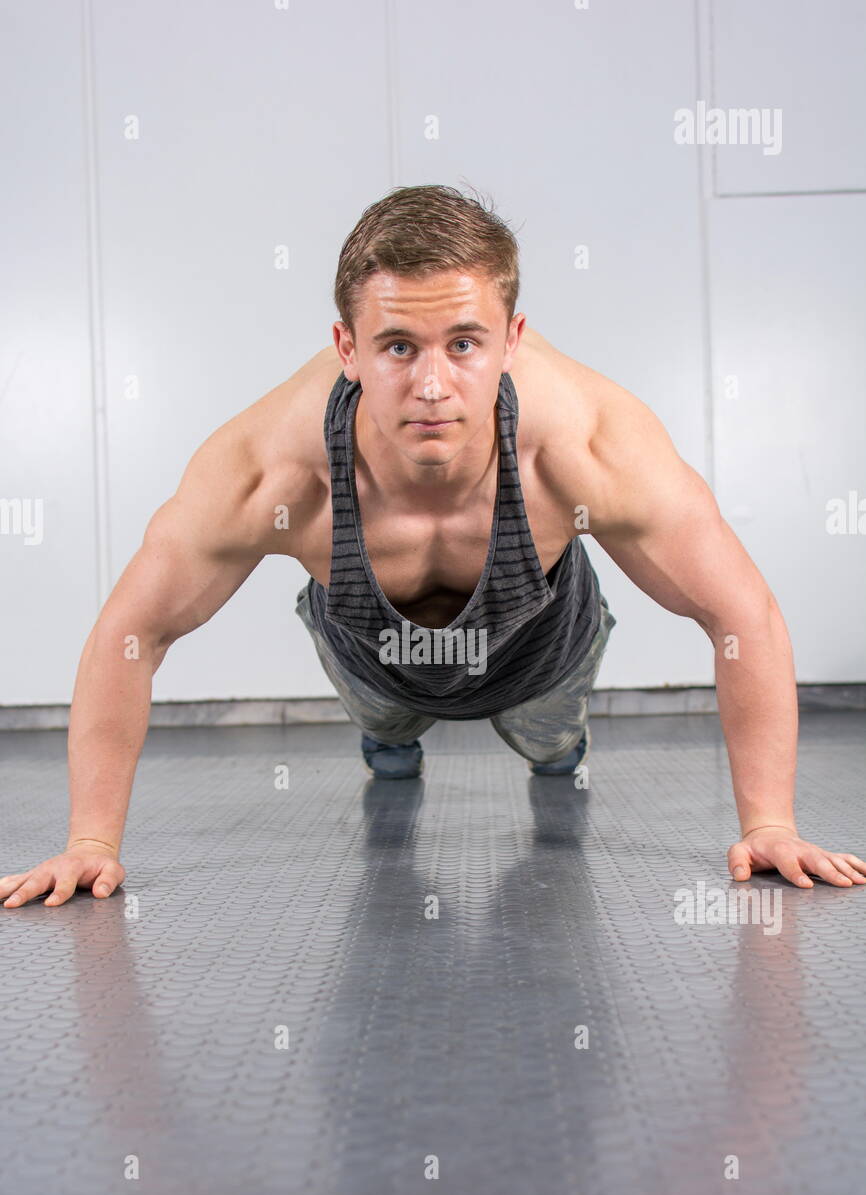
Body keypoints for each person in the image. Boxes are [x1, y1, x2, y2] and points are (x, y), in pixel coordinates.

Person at [2, 185, 864, 909]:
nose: (432, 385)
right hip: (372, 665)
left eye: (463, 344)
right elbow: (133, 632)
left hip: (538, 662)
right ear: (347, 348)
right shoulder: (272, 468)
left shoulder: (589, 447)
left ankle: (557, 746)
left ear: (511, 341)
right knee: (387, 725)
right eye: (397, 347)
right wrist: (89, 838)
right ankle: (392, 739)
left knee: (550, 743)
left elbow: (737, 610)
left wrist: (769, 825)